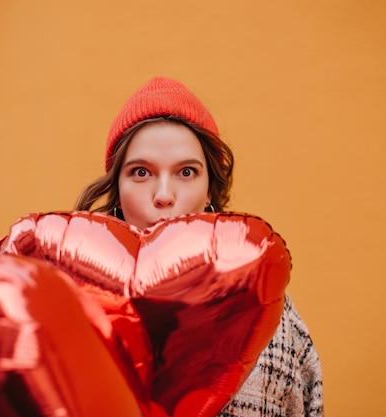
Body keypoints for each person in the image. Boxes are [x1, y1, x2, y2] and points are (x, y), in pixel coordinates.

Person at [75, 76, 324, 417]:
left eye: (187, 172)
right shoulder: (71, 305)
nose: (164, 196)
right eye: (141, 172)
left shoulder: (272, 316)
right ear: (117, 189)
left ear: (209, 191)